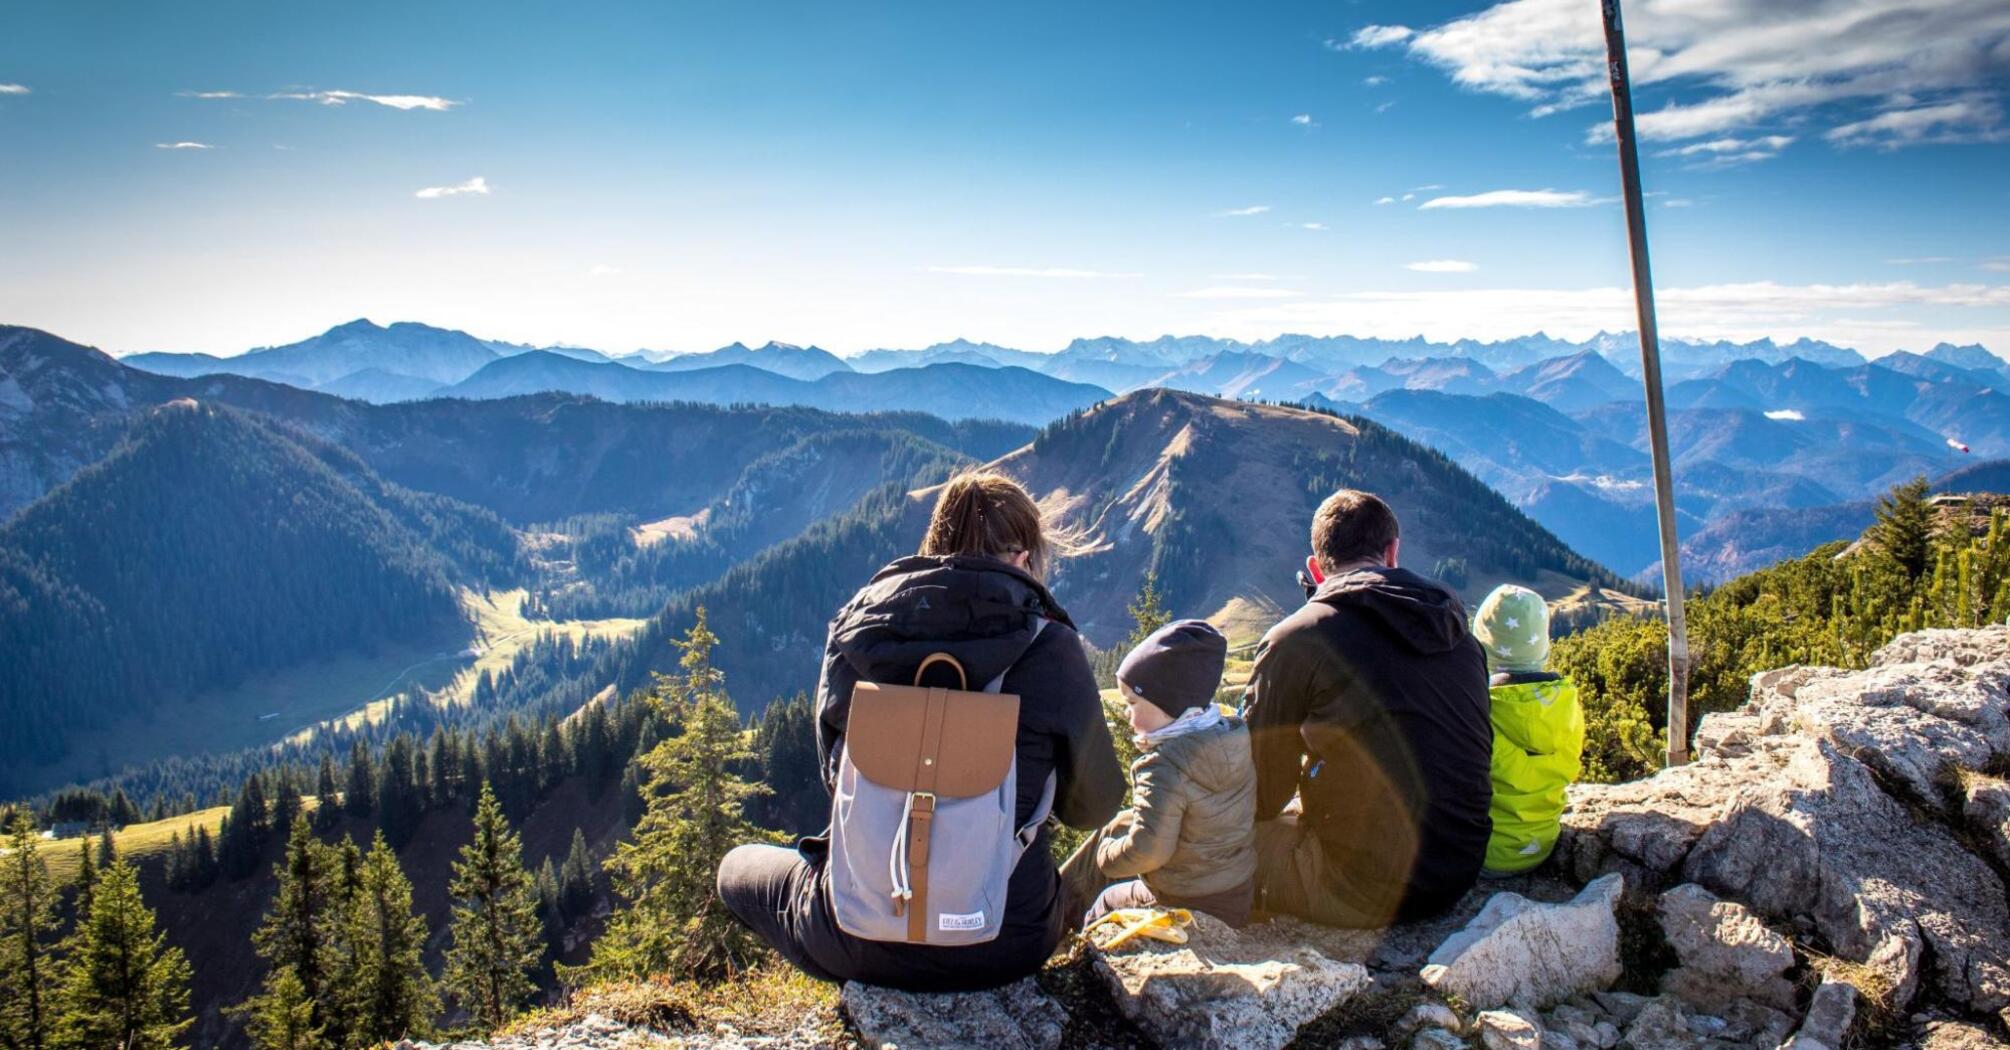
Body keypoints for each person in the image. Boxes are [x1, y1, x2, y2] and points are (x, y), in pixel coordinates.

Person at [715, 471, 1126, 991]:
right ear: (1024, 558)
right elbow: (1094, 805)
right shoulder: (1051, 648)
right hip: (1005, 939)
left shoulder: (856, 631)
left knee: (735, 869)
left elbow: (834, 776)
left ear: (934, 545)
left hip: (853, 935)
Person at [1242, 489, 1493, 927]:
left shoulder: (1298, 639)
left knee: (1180, 845)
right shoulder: (1457, 631)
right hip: (1458, 870)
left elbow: (1262, 794)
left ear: (1316, 569)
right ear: (1393, 552)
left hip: (1359, 887)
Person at [1059, 619, 1257, 928]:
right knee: (1116, 825)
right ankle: (1053, 907)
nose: (1127, 712)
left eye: (1133, 702)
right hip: (1234, 891)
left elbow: (1148, 852)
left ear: (1168, 705)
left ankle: (1070, 949)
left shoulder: (1164, 765)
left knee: (1107, 899)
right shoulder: (1231, 738)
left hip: (1186, 900)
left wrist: (1105, 856)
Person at [1471, 585, 1584, 876]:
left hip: (1485, 855)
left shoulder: (1479, 709)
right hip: (1543, 844)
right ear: (1544, 646)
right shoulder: (1567, 703)